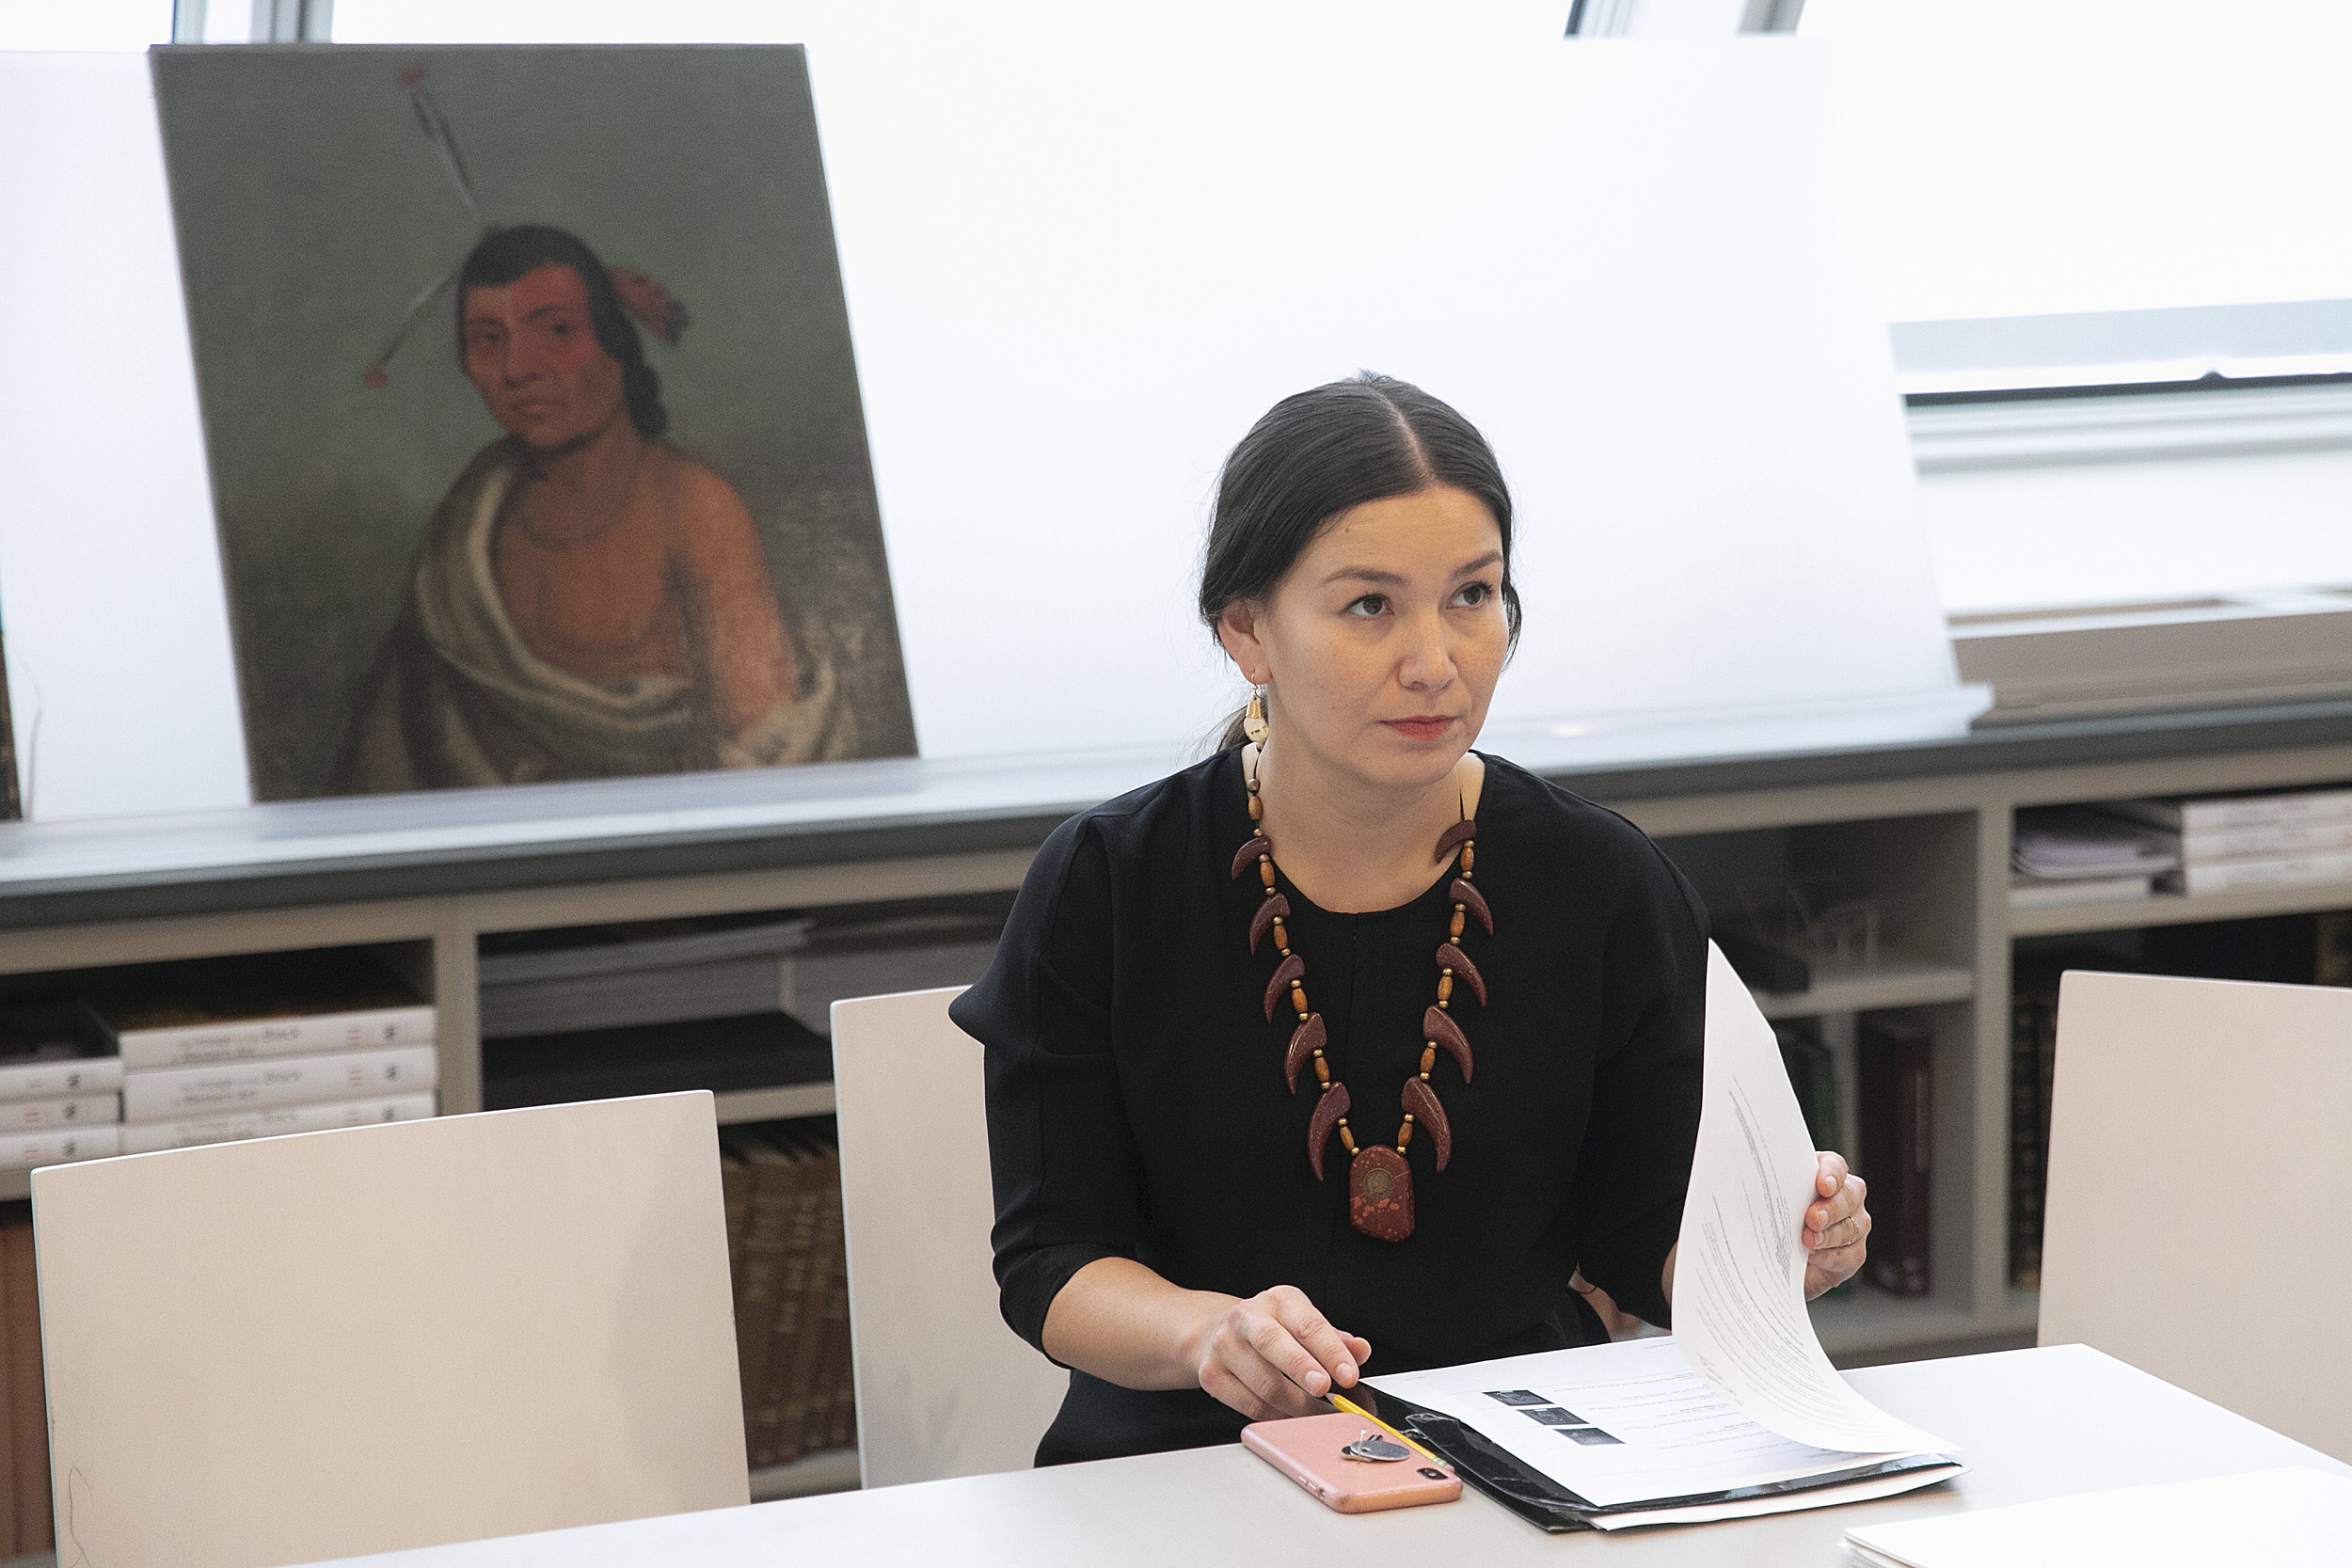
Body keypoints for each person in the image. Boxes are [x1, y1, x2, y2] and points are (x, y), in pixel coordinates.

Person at [950, 372, 1871, 1465]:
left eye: (1472, 596)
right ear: (1247, 629)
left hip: (1524, 1458)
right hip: (1189, 1461)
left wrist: (1767, 1249)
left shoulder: (1597, 879)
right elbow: (1054, 1261)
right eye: (1369, 605)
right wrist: (1207, 1331)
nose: (1435, 662)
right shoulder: (1109, 882)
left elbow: (1641, 1240)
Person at [335, 225, 854, 792]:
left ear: (616, 342)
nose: (517, 369)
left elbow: (769, 755)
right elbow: (396, 757)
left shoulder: (694, 508)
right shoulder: (468, 521)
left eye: (556, 330)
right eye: (487, 339)